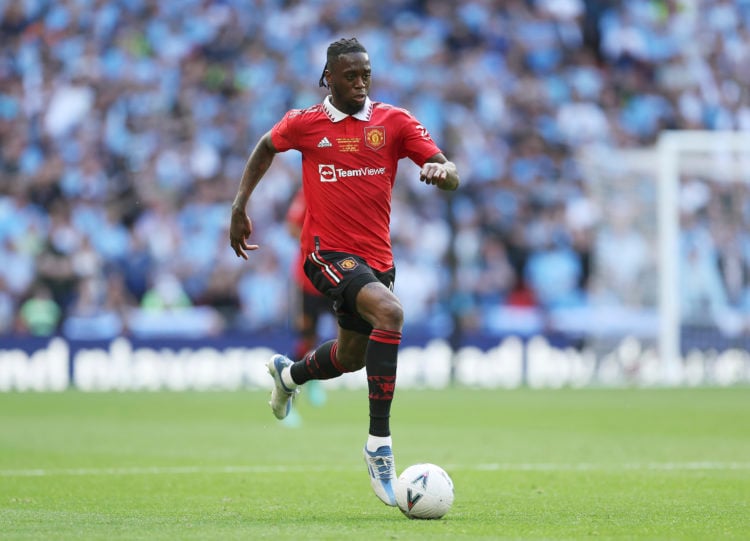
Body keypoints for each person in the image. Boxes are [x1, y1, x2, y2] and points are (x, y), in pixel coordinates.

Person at [229, 37, 459, 507]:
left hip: (376, 260)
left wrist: (443, 173)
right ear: (328, 77)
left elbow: (447, 168)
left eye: (366, 75)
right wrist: (239, 205)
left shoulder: (393, 122)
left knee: (352, 356)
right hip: (324, 255)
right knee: (391, 314)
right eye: (350, 75)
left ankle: (288, 375)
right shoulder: (306, 123)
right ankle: (379, 445)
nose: (360, 83)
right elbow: (264, 147)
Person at [285, 188, 330, 409]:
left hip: (338, 276)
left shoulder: (343, 188)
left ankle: (313, 375)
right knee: (306, 339)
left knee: (351, 333)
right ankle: (289, 387)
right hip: (309, 280)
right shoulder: (305, 195)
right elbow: (292, 228)